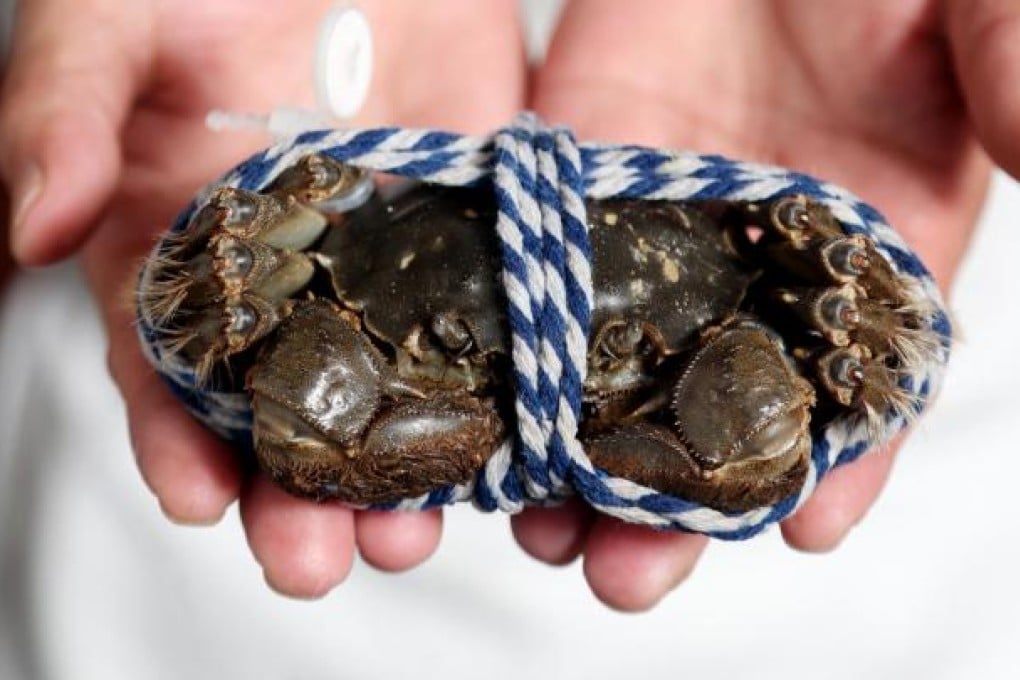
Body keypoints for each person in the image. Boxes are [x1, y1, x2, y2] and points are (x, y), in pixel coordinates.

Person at [1, 0, 1017, 615]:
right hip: (149, 592)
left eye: (594, 355)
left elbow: (779, 420)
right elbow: (293, 403)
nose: (543, 383)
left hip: (919, 580)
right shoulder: (350, 280)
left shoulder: (737, 302)